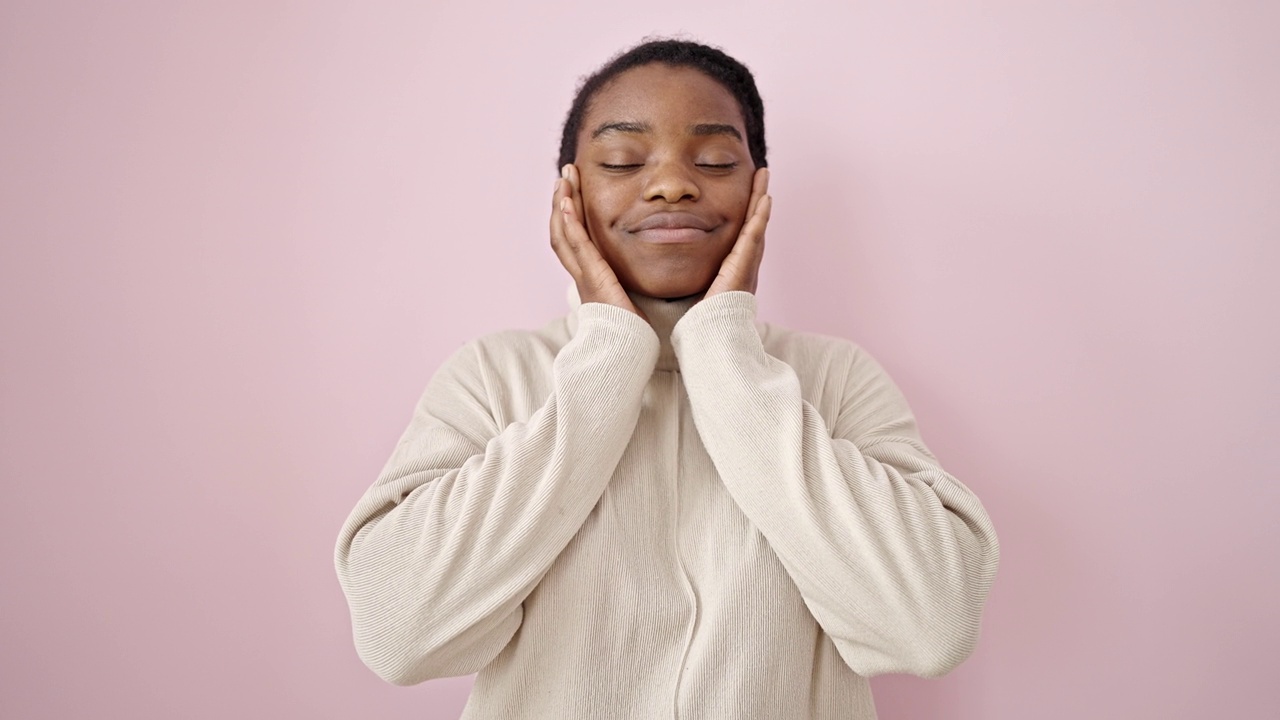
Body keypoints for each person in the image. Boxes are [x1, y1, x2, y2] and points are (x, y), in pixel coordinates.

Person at [334, 38, 999, 719]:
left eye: (714, 160)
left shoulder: (835, 379)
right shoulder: (492, 377)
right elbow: (400, 633)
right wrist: (610, 357)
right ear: (571, 192)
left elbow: (931, 627)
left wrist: (723, 356)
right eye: (623, 159)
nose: (673, 184)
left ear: (758, 188)